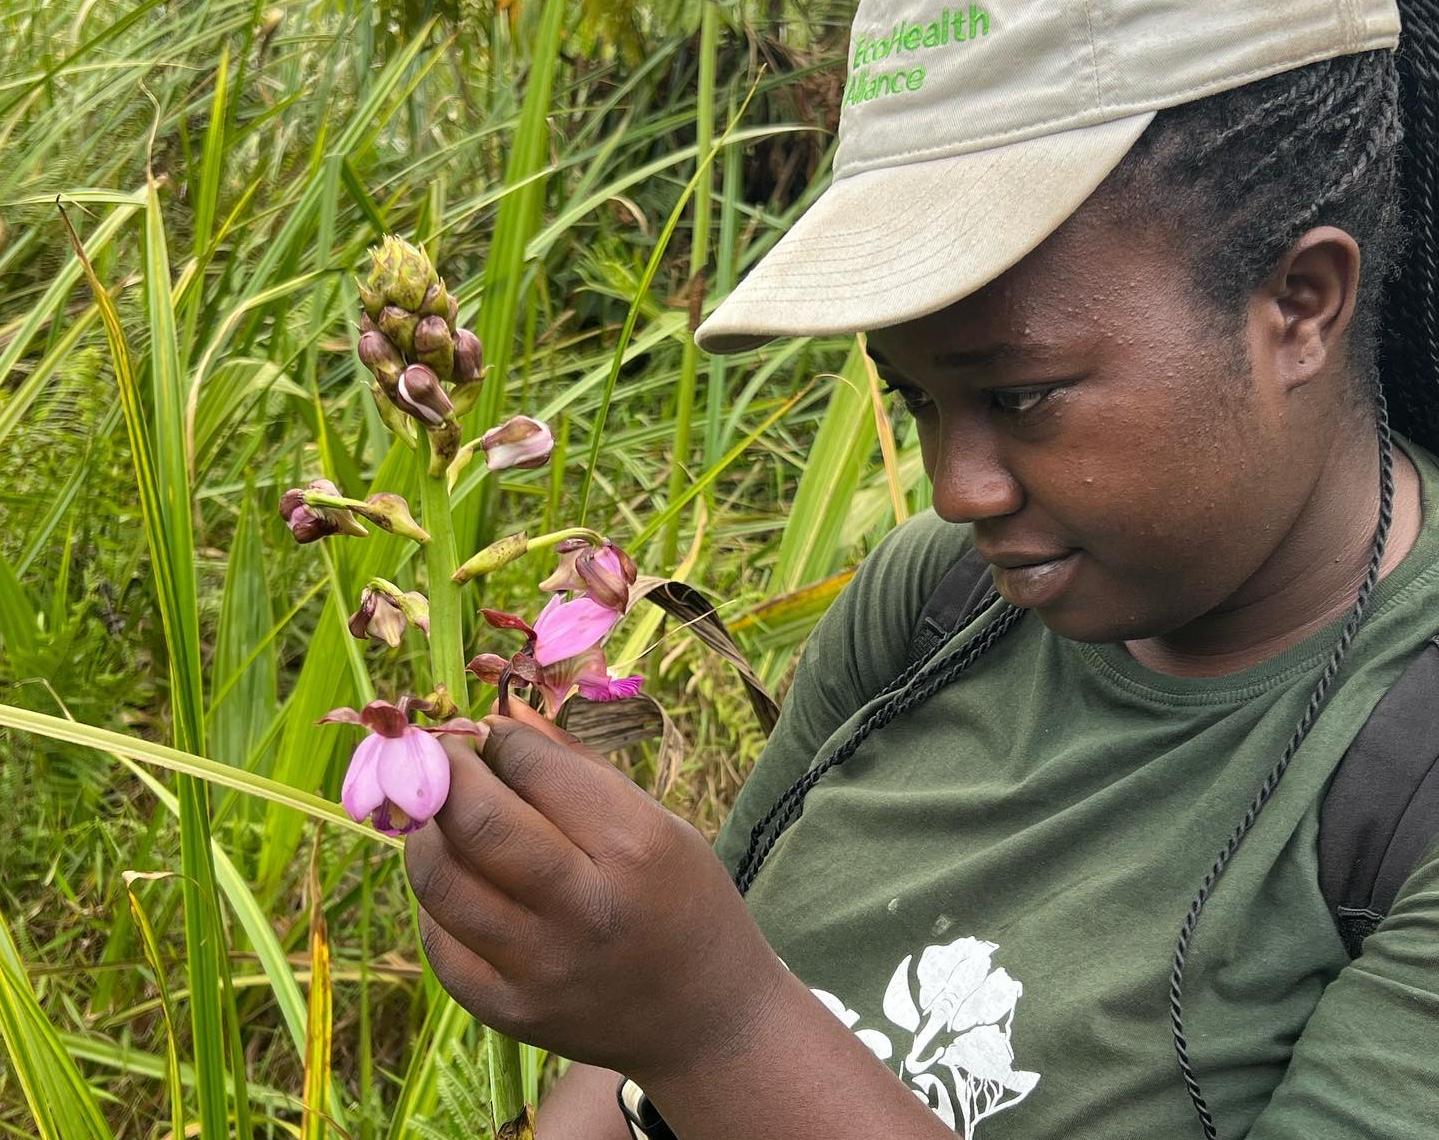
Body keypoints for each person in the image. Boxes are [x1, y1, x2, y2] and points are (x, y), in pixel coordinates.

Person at [403, 0, 1439, 1136]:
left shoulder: (1399, 777)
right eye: (915, 401)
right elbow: (660, 1019)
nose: (959, 491)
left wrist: (715, 1026)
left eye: (1019, 396)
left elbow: (697, 1001)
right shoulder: (934, 602)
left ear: (1299, 305)